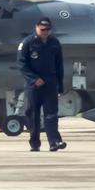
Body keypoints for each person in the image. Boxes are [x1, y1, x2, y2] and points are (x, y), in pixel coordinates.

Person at [18, 16, 66, 152]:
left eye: (47, 29)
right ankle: (34, 143)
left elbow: (59, 65)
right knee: (33, 114)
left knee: (51, 114)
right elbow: (21, 64)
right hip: (34, 85)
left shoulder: (55, 43)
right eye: (42, 29)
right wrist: (34, 79)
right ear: (37, 28)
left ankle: (54, 142)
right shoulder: (27, 42)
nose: (45, 31)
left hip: (51, 84)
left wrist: (60, 86)